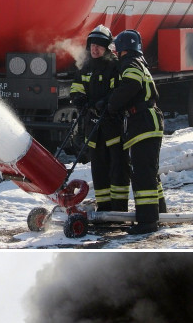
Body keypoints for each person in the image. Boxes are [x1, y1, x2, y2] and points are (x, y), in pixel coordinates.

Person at [66, 26, 166, 234]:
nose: (95, 49)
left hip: (131, 123)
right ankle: (156, 214)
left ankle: (145, 220)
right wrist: (82, 100)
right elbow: (77, 86)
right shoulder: (123, 63)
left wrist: (109, 104)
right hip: (128, 123)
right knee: (142, 172)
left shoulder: (125, 64)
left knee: (136, 172)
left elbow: (128, 87)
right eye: (92, 45)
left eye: (100, 46)